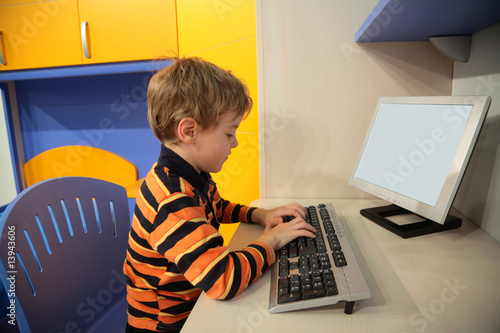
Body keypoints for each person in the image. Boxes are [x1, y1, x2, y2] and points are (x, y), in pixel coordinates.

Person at [124, 56, 316, 332]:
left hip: (191, 303)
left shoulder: (188, 176)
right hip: (166, 324)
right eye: (229, 133)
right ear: (189, 131)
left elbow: (216, 207)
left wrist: (261, 214)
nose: (235, 143)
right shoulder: (171, 200)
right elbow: (222, 280)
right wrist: (271, 241)